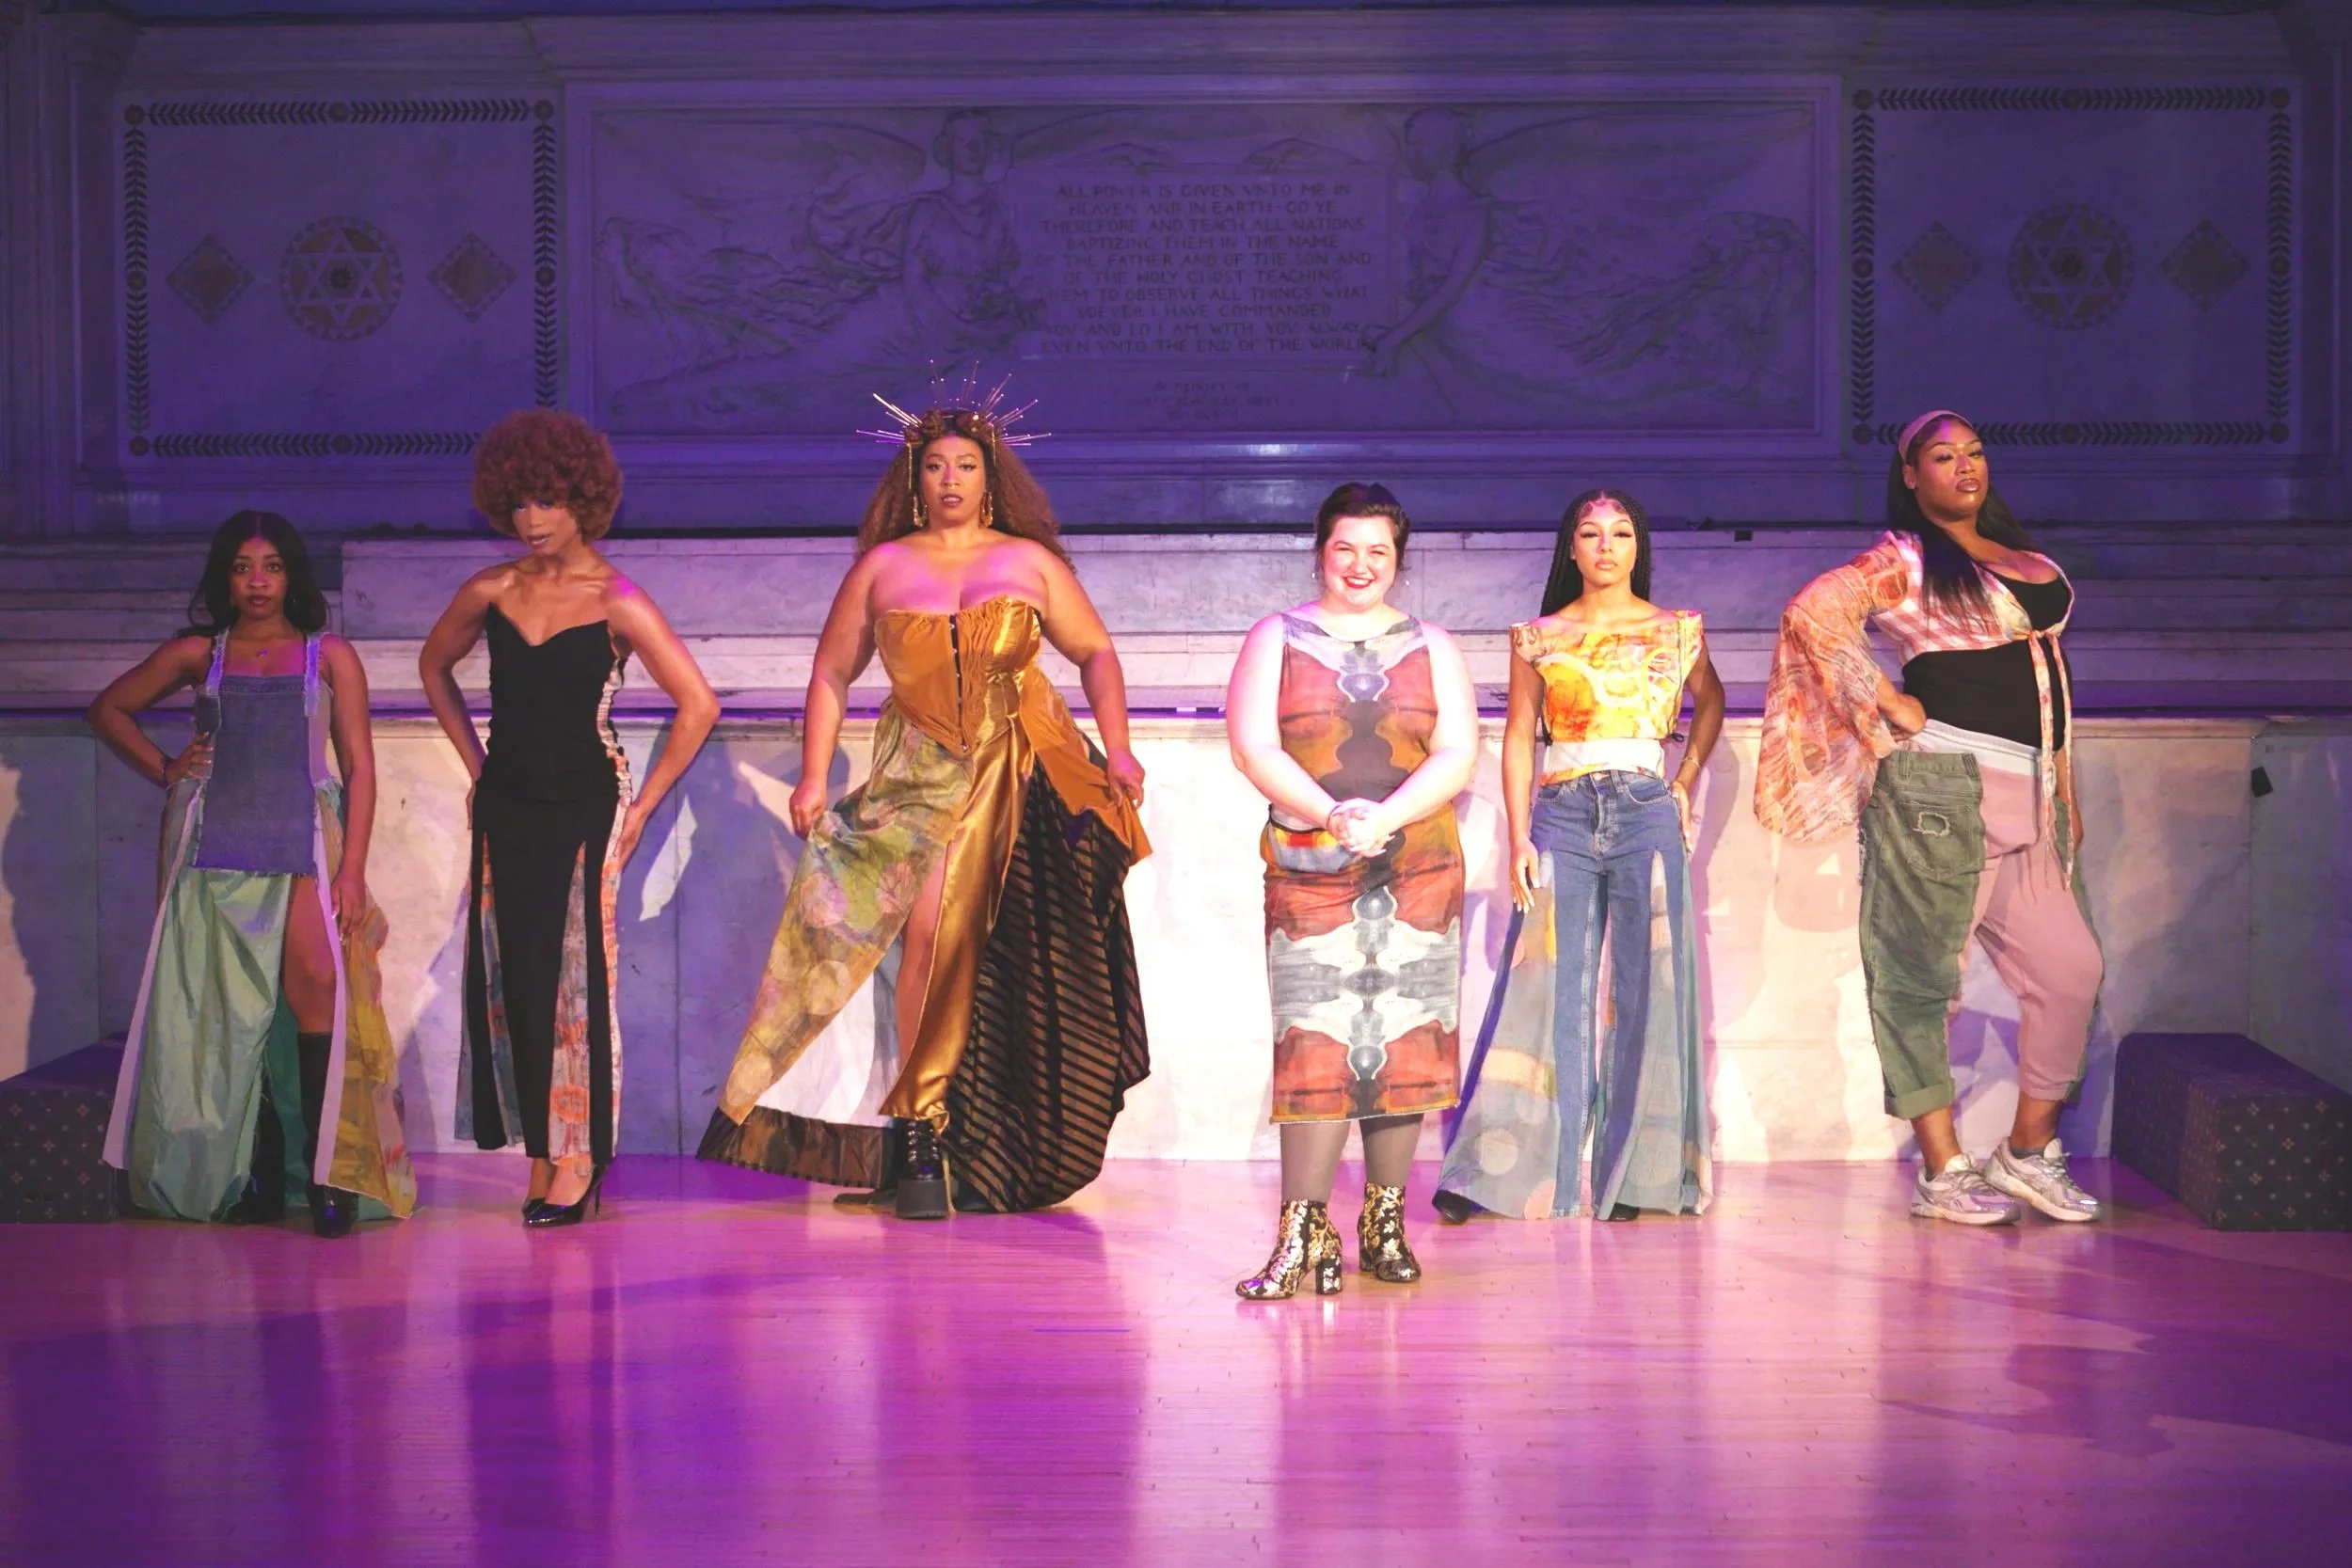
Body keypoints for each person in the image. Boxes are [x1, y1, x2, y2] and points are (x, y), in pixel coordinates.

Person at [698, 388, 1151, 1220]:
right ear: (915, 476)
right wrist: (811, 776)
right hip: (916, 774)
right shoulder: (881, 567)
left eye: (966, 466)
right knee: (924, 935)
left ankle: (960, 1134)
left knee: (1000, 951)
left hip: (1021, 767)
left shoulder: (1030, 562)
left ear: (990, 477)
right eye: (935, 465)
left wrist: (1117, 746)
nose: (950, 479)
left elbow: (1096, 653)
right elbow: (831, 673)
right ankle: (916, 1131)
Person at [1756, 409, 2104, 1226]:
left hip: (2031, 789)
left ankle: (2025, 1150)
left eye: (1975, 452)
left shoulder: (2022, 557)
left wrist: (2065, 782)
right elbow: (1814, 611)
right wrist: (1889, 701)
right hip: (1943, 787)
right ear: (1913, 476)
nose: (1964, 467)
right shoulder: (1907, 558)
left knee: (2071, 970)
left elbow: (2049, 678)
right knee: (1923, 982)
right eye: (1943, 457)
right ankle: (1942, 1167)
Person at [420, 409, 719, 1227]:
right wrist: (475, 765)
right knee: (515, 973)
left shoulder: (617, 598)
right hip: (508, 799)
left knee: (576, 979)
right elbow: (432, 665)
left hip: (586, 799)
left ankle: (580, 1158)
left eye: (547, 499)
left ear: (583, 498)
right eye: (518, 503)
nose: (531, 519)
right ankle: (543, 1156)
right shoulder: (491, 589)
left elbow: (698, 704)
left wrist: (644, 807)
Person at [93, 511, 414, 1235]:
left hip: (299, 840)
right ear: (224, 577)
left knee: (318, 992)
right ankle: (257, 1177)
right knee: (228, 1010)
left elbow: (360, 767)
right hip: (212, 843)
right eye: (243, 567)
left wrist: (353, 867)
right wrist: (167, 768)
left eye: (271, 566)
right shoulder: (200, 651)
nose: (258, 581)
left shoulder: (327, 654)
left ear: (293, 574)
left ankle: (325, 1175)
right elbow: (109, 708)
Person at [1433, 488, 1723, 1224]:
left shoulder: (1678, 628)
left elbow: (1710, 701)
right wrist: (1519, 835)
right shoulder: (1538, 635)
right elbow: (1521, 732)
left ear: (1636, 547)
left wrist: (1685, 778)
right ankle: (1506, 1173)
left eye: (1621, 533)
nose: (1606, 546)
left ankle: (1633, 1177)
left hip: (1645, 808)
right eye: (1591, 533)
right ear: (1572, 547)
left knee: (1647, 987)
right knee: (1541, 979)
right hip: (1562, 807)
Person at [1225, 483, 1477, 1298]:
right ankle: (1303, 1234)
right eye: (1345, 548)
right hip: (1309, 863)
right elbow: (1254, 743)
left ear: (1399, 559)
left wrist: (1388, 816)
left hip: (1419, 864)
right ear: (1320, 551)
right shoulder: (1277, 636)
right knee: (1314, 1043)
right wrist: (1333, 813)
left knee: (1404, 1041)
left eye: (1378, 550)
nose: (1360, 564)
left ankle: (1383, 1221)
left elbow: (1457, 751)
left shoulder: (1432, 642)